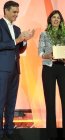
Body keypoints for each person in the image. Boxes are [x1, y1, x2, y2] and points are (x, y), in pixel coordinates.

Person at [38, 10, 65, 140]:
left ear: (61, 20)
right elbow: (40, 52)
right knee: (50, 101)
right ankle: (51, 135)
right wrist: (47, 55)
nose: (56, 20)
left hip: (63, 68)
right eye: (54, 17)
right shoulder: (44, 34)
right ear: (50, 19)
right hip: (49, 68)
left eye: (58, 18)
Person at [0, 1, 34, 140]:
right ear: (6, 11)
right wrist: (17, 40)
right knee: (1, 101)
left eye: (17, 12)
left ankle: (9, 130)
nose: (16, 14)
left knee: (11, 101)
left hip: (15, 69)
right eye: (14, 12)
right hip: (2, 69)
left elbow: (19, 49)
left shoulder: (17, 29)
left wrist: (25, 40)